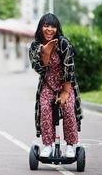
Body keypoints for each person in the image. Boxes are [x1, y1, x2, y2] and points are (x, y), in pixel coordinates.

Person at [29, 13, 83, 158]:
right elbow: (38, 69)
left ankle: (70, 146)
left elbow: (70, 68)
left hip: (66, 83)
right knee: (44, 107)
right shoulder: (35, 46)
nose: (49, 29)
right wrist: (44, 54)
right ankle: (48, 145)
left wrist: (66, 92)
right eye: (46, 26)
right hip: (48, 84)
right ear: (40, 27)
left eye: (53, 26)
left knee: (68, 109)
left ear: (57, 29)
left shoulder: (63, 43)